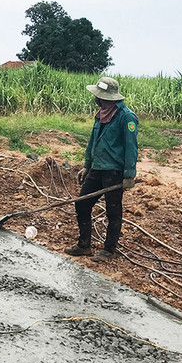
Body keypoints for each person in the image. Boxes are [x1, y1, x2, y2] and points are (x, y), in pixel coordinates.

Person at [65, 76, 138, 263]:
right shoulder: (101, 114)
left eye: (99, 97)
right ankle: (84, 245)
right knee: (82, 204)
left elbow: (131, 147)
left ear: (108, 98)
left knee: (113, 211)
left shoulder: (126, 117)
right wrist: (86, 165)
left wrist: (129, 175)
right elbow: (93, 141)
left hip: (114, 171)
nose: (97, 99)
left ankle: (109, 250)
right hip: (97, 168)